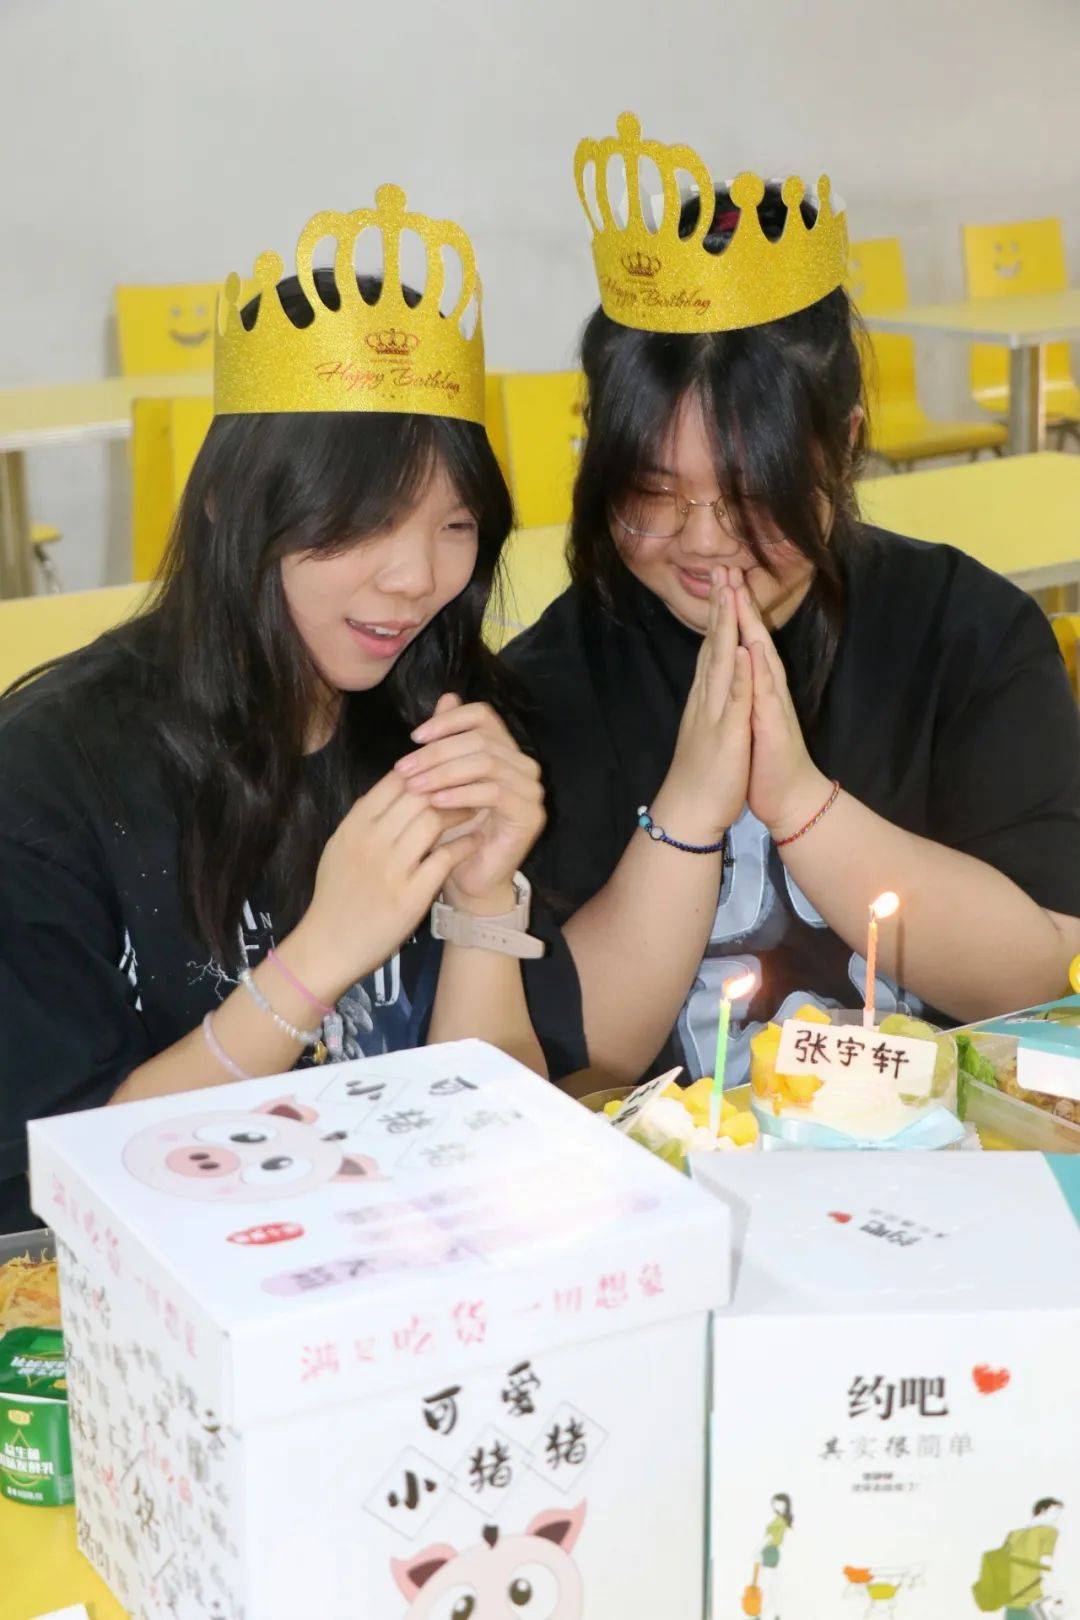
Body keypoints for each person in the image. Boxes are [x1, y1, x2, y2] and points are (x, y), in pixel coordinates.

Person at [0, 186, 584, 1233]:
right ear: (232, 505)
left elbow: (495, 1136)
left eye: (455, 525)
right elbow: (62, 1196)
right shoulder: (49, 778)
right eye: (365, 522)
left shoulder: (449, 723)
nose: (416, 578)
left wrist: (485, 902)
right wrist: (319, 956)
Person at [496, 112, 1080, 1086]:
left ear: (842, 446)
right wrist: (689, 809)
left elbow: (1042, 975)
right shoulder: (545, 687)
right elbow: (570, 1062)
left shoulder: (966, 635)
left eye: (751, 495)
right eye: (651, 493)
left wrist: (802, 804)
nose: (704, 540)